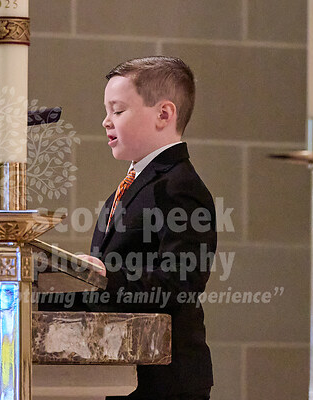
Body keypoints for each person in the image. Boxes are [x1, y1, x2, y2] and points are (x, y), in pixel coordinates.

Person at [79, 56, 217, 400]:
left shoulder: (179, 187)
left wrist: (104, 277)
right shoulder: (136, 184)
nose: (106, 121)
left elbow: (180, 281)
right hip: (125, 369)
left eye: (118, 110)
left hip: (165, 378)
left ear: (163, 114)